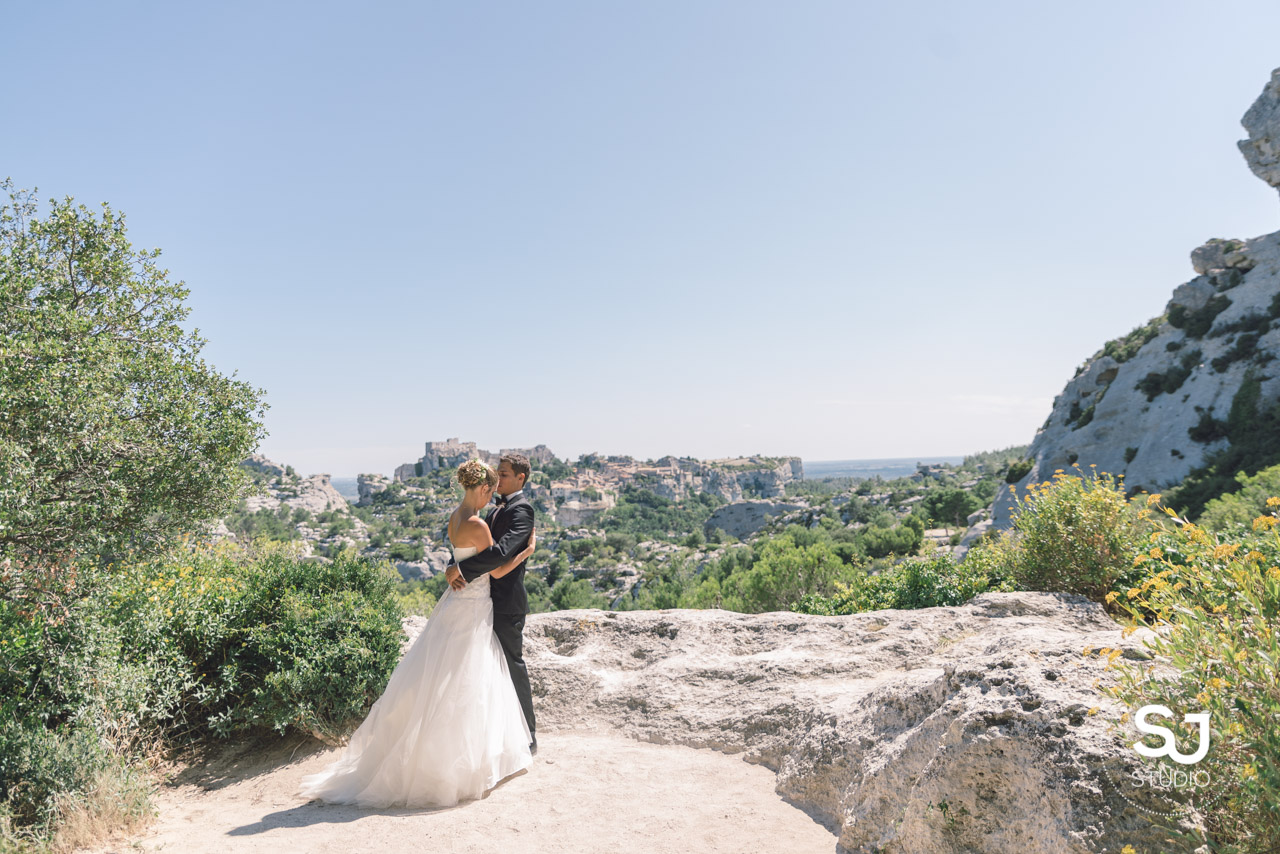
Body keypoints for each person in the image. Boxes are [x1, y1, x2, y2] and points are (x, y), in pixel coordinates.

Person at [299, 459, 535, 808]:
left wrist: (455, 568)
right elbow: (498, 567)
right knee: (469, 679)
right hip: (475, 604)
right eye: (493, 481)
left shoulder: (456, 517)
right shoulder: (480, 524)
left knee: (446, 674)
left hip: (458, 604)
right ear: (483, 488)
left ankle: (454, 749)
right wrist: (527, 552)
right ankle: (470, 758)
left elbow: (464, 555)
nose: (495, 488)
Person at [445, 452, 537, 754]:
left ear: (521, 478)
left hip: (504, 601)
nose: (498, 479)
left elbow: (501, 554)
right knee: (480, 672)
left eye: (505, 474)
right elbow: (472, 546)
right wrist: (452, 564)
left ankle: (528, 737)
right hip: (480, 601)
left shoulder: (522, 510)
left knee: (511, 666)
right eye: (496, 474)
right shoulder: (491, 509)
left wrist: (460, 570)